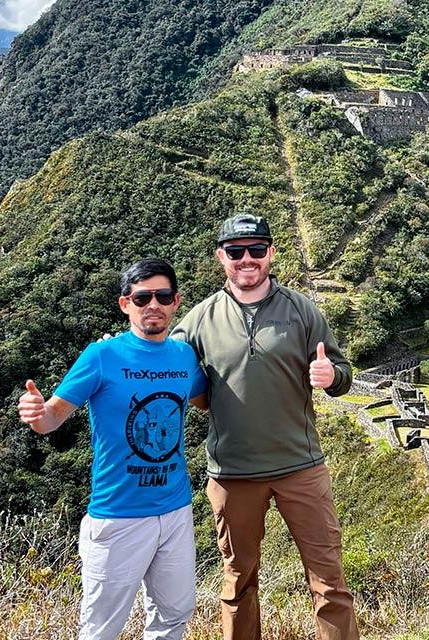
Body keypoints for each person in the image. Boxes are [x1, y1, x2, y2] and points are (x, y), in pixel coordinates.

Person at [172, 213, 358, 640]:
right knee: (238, 584)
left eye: (256, 250)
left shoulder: (302, 310)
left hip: (300, 467)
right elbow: (161, 361)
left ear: (271, 254)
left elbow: (341, 369)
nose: (247, 259)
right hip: (234, 474)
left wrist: (333, 378)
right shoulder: (200, 320)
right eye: (236, 252)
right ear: (222, 258)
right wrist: (119, 348)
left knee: (328, 581)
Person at [17, 258, 208, 640]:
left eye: (163, 295)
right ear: (125, 304)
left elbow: (208, 401)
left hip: (175, 511)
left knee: (173, 617)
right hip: (118, 516)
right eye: (142, 297)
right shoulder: (101, 356)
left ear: (176, 302)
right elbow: (52, 418)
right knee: (101, 629)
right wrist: (35, 413)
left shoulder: (185, 357)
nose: (152, 304)